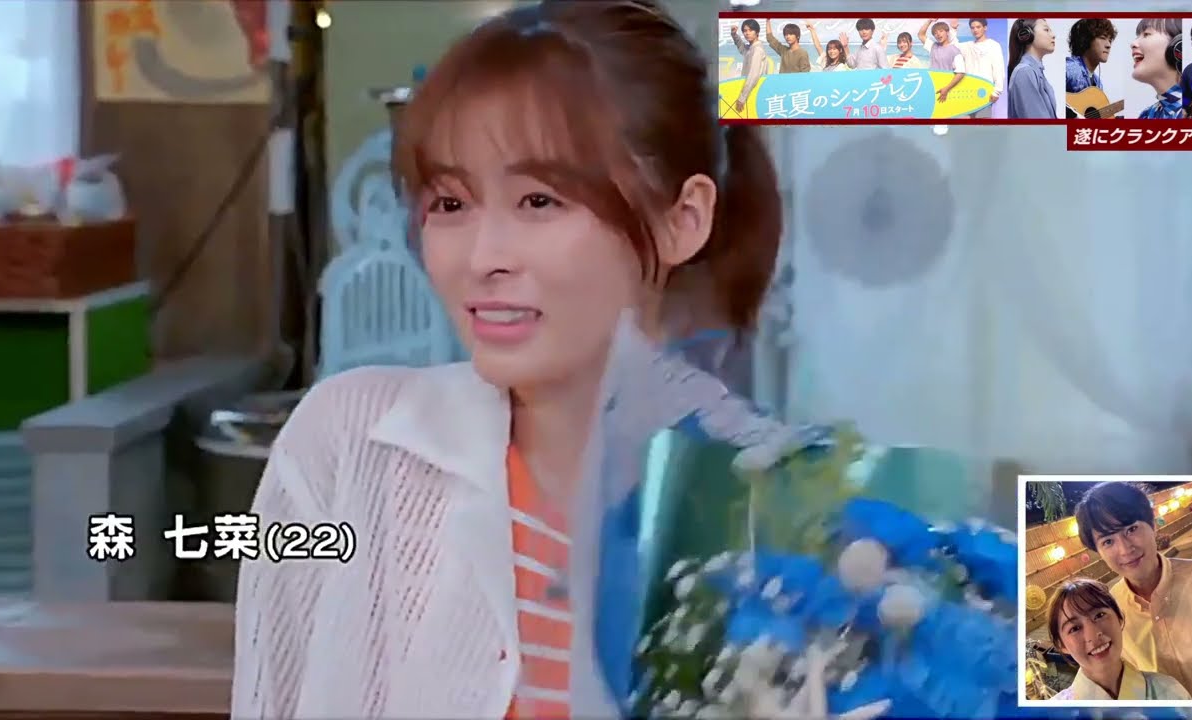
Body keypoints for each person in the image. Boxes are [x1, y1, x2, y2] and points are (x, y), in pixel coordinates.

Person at [229, 1, 783, 718]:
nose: (482, 259)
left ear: (682, 220)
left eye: (540, 201)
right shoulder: (346, 444)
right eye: (450, 204)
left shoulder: (768, 507)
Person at [1074, 481, 1192, 700]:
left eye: (1131, 529)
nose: (1125, 549)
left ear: (1153, 524)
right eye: (1108, 541)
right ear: (1098, 551)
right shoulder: (1109, 613)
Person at [1046, 578, 1192, 702]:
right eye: (1075, 628)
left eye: (1099, 615)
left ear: (1119, 618)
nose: (1093, 635)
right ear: (1061, 645)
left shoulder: (1170, 692)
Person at [1130, 17, 1186, 119]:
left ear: (1178, 46)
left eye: (1146, 34)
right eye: (1137, 36)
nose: (1133, 44)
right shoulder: (1146, 115)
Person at [1007, 18, 1058, 118]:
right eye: (1046, 30)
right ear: (1026, 34)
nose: (1053, 35)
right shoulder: (1024, 72)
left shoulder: (1035, 71)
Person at [959, 18, 1007, 118]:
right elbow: (951, 46)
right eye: (972, 28)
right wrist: (953, 29)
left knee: (982, 123)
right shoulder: (967, 46)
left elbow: (999, 69)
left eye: (978, 27)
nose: (975, 30)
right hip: (968, 93)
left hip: (985, 93)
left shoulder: (993, 45)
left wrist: (997, 91)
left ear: (985, 28)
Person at [919, 19, 969, 102]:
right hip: (932, 86)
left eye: (941, 31)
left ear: (947, 32)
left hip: (947, 89)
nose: (938, 34)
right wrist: (929, 20)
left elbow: (960, 73)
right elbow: (921, 35)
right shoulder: (933, 46)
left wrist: (947, 88)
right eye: (935, 33)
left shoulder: (954, 50)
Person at [1065, 18, 1118, 93]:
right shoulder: (1069, 68)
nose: (1108, 45)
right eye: (1103, 38)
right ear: (1086, 41)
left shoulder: (1098, 84)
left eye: (1110, 40)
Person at [730, 18, 769, 115]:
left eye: (750, 30)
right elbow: (742, 48)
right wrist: (734, 35)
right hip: (751, 92)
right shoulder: (751, 48)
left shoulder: (757, 50)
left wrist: (742, 98)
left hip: (753, 93)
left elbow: (753, 75)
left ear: (757, 32)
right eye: (745, 31)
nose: (747, 33)